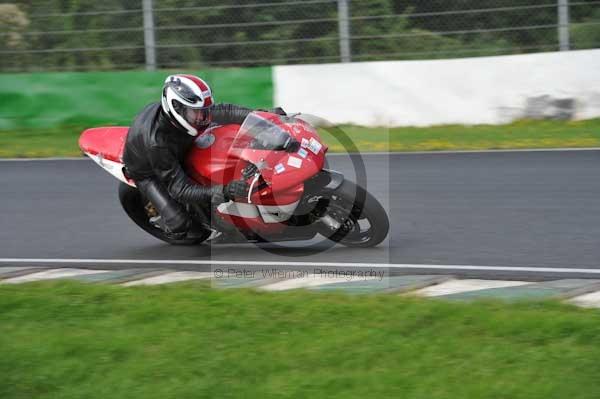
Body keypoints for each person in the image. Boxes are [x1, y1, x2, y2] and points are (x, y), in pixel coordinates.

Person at [122, 74, 255, 239]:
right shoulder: (158, 143)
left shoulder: (189, 114)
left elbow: (226, 111)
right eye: (196, 112)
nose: (202, 117)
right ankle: (172, 222)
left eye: (203, 111)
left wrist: (261, 116)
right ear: (176, 108)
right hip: (147, 171)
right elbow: (181, 189)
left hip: (178, 147)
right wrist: (225, 191)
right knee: (181, 225)